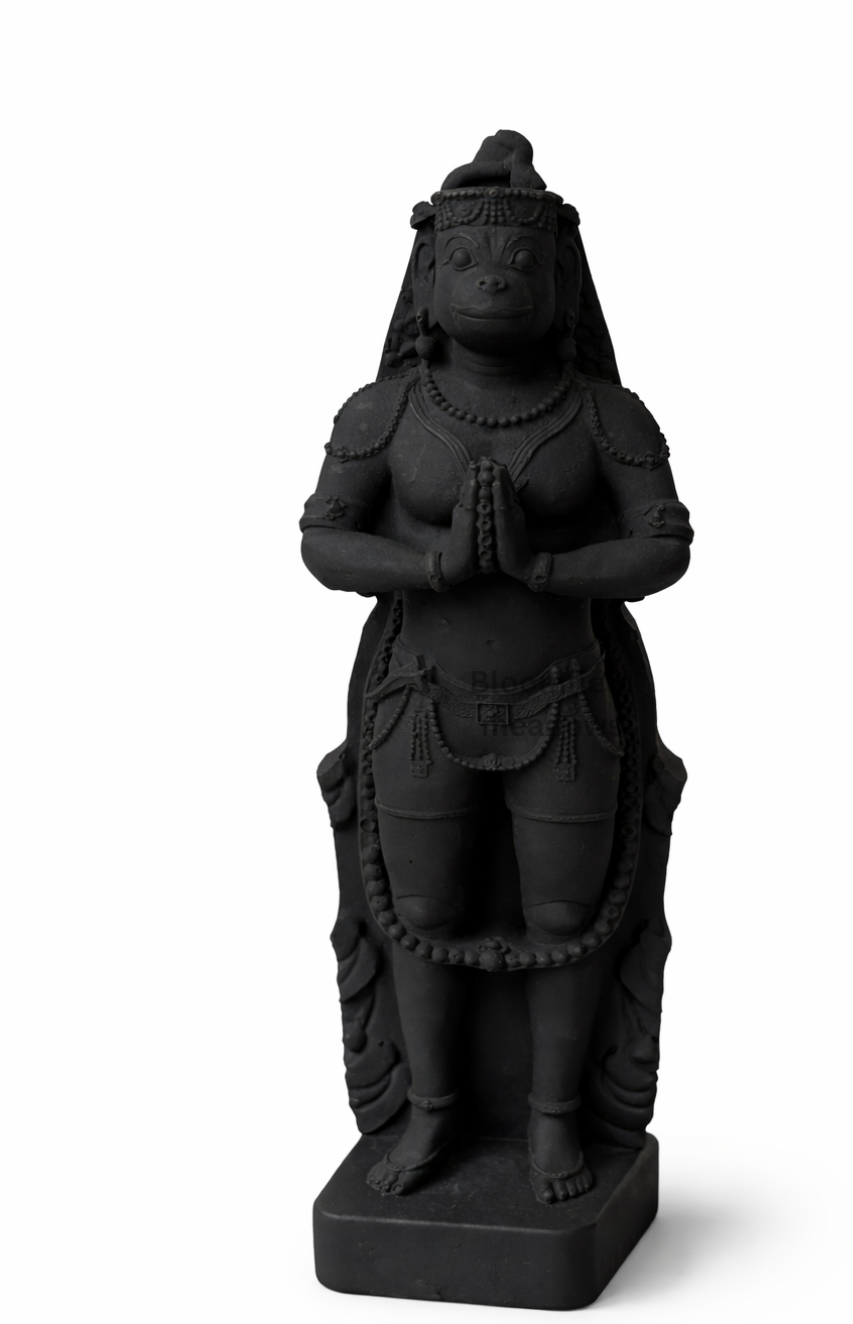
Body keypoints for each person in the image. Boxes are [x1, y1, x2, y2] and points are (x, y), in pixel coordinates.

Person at [301, 131, 692, 1202]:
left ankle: (554, 1118)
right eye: (468, 257)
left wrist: (546, 568)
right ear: (428, 280)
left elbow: (664, 545)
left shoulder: (603, 415)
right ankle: (431, 1110)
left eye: (521, 261)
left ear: (561, 284)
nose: (494, 277)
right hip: (420, 704)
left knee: (566, 919)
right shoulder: (384, 412)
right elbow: (324, 540)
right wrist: (434, 566)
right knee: (421, 911)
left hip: (565, 705)